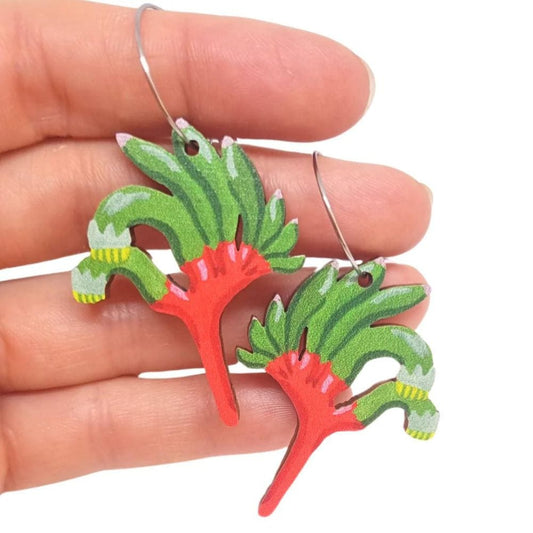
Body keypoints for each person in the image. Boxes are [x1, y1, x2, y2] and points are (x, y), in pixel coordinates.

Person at [0, 0, 431, 492]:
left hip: (269, 300)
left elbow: (400, 348)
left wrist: (411, 388)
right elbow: (127, 209)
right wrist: (111, 257)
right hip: (234, 278)